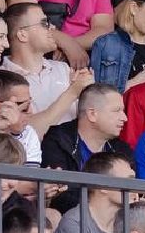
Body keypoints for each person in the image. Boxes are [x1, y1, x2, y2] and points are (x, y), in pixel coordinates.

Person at [0, 2, 94, 134]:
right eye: (45, 23)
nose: (53, 28)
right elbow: (26, 134)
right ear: (22, 35)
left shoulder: (63, 68)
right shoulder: (0, 80)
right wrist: (72, 92)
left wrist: (86, 93)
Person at [41, 82, 132, 212]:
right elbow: (60, 197)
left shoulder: (121, 150)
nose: (125, 118)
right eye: (117, 111)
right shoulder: (59, 140)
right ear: (92, 114)